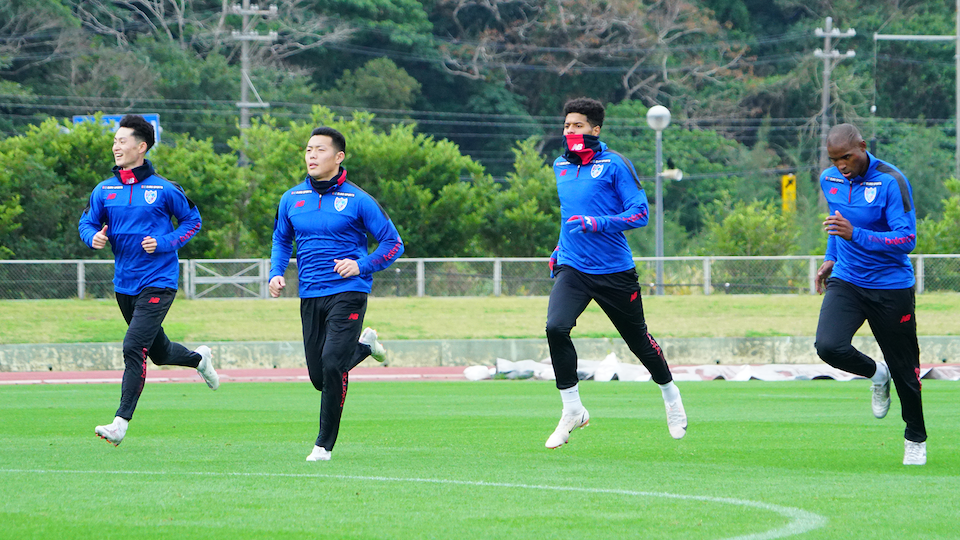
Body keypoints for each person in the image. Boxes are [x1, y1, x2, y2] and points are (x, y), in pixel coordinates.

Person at [543, 97, 687, 449]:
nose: (570, 131)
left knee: (639, 342)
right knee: (555, 327)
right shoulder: (560, 165)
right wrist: (560, 248)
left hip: (614, 272)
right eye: (566, 125)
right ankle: (572, 409)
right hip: (573, 267)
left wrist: (597, 223)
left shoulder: (615, 164)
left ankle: (671, 396)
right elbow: (569, 214)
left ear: (595, 129)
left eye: (578, 125)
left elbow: (640, 214)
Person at [79, 114, 218, 447]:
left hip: (159, 281)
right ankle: (199, 360)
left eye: (122, 141)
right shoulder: (104, 190)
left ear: (141, 147)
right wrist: (92, 237)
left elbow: (192, 221)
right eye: (114, 141)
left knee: (133, 346)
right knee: (159, 352)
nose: (116, 147)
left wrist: (165, 242)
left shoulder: (165, 189)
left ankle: (120, 423)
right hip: (124, 284)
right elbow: (87, 223)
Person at [269, 126, 404, 462]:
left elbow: (393, 243)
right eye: (308, 149)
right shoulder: (291, 198)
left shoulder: (359, 200)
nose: (312, 155)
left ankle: (323, 446)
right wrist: (276, 272)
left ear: (339, 157)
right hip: (310, 293)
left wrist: (361, 265)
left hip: (349, 291)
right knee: (320, 378)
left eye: (320, 150)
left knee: (332, 365)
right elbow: (282, 239)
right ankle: (365, 347)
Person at [815, 123, 926, 466]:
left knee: (905, 369)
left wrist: (856, 234)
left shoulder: (892, 181)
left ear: (862, 147)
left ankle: (915, 437)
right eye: (834, 160)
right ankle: (877, 374)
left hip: (891, 286)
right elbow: (837, 224)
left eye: (846, 157)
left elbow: (907, 239)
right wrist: (830, 257)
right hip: (847, 280)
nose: (841, 166)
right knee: (828, 346)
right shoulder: (829, 180)